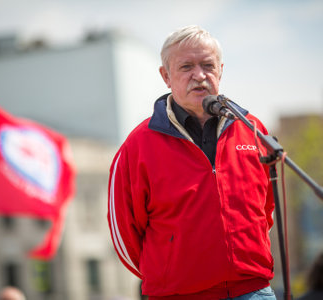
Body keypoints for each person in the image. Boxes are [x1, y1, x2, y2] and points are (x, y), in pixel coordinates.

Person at [107, 25, 276, 299]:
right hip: (178, 294)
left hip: (254, 290)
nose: (199, 76)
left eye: (207, 65)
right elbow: (124, 232)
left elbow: (266, 210)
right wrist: (167, 274)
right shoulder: (137, 146)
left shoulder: (253, 130)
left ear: (220, 70)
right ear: (166, 76)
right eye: (186, 67)